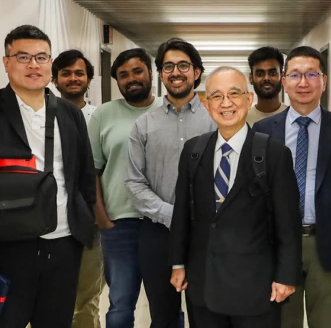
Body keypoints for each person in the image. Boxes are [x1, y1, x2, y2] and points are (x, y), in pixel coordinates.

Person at [170, 66, 302, 328]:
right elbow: (182, 213)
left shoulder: (274, 154)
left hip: (256, 287)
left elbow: (288, 224)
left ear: (248, 99)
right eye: (217, 96)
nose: (226, 103)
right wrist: (177, 263)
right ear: (207, 105)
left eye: (234, 94)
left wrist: (286, 276)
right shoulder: (194, 151)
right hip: (204, 283)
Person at [253, 46, 331, 328]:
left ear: (323, 81)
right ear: (284, 81)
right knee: (282, 322)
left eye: (312, 74)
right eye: (296, 75)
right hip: (277, 243)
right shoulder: (263, 131)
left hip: (326, 242)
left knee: (324, 322)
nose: (303, 82)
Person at [0, 25, 96, 328]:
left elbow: (83, 177)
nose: (33, 65)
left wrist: (83, 222)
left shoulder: (69, 113)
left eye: (41, 57)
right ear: (6, 62)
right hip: (9, 244)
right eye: (23, 56)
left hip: (63, 243)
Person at [125, 38, 215, 327]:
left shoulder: (216, 120)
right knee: (162, 317)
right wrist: (172, 215)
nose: (176, 72)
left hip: (208, 235)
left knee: (207, 313)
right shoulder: (144, 125)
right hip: (156, 234)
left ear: (197, 72)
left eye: (183, 65)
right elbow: (134, 183)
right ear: (160, 74)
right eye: (168, 67)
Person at [88, 48, 162, 328]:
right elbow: (91, 172)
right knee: (119, 303)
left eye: (137, 71)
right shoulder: (104, 115)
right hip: (119, 225)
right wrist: (103, 220)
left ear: (150, 73)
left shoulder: (169, 111)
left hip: (162, 223)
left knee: (166, 304)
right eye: (123, 75)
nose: (131, 79)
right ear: (117, 81)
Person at [52, 49, 103, 328]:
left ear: (89, 79)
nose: (73, 78)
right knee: (49, 297)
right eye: (66, 73)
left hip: (88, 222)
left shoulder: (99, 117)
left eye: (79, 73)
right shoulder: (42, 116)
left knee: (87, 296)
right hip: (47, 222)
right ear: (55, 79)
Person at [246, 46, 287, 125]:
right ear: (251, 78)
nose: (266, 78)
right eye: (260, 74)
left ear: (282, 76)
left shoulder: (294, 117)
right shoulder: (242, 121)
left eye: (272, 73)